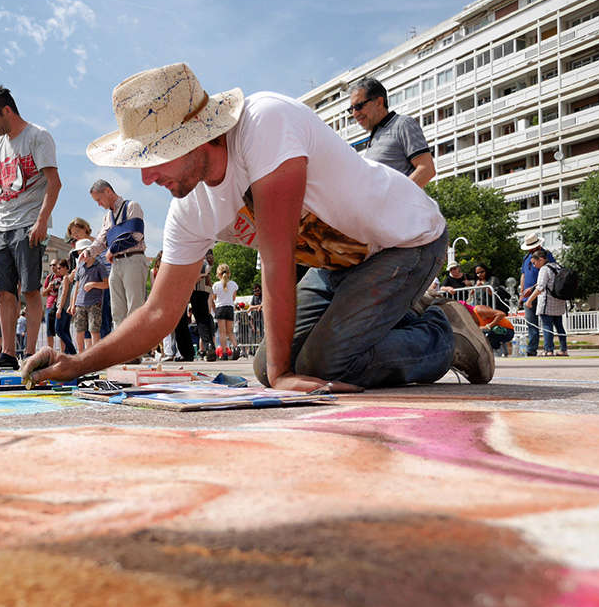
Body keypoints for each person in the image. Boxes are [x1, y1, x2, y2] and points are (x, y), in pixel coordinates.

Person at [25, 62, 492, 389]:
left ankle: (445, 336)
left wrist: (289, 376)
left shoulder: (263, 124)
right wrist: (78, 363)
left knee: (325, 365)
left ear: (195, 138)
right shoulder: (191, 206)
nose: (146, 177)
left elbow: (276, 259)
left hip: (407, 242)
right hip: (338, 268)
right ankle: (400, 316)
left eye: (154, 158)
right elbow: (157, 313)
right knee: (269, 367)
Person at [0, 85, 61, 371]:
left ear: (7, 110)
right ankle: (8, 354)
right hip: (2, 226)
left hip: (28, 223)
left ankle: (31, 354)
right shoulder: (0, 145)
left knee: (31, 290)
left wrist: (42, 220)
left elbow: (54, 183)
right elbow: (0, 188)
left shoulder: (38, 137)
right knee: (2, 291)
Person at [348, 77, 435, 188]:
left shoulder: (403, 124)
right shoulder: (374, 138)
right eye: (352, 109)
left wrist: (394, 201)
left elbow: (426, 169)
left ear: (379, 102)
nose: (355, 114)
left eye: (359, 106)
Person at [87, 180, 147, 330]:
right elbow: (101, 239)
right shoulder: (107, 216)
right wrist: (88, 252)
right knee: (117, 309)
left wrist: (112, 249)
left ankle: (135, 348)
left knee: (135, 306)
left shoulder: (132, 206)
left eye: (99, 199)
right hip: (116, 264)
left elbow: (136, 235)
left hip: (133, 259)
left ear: (108, 191)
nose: (98, 204)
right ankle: (122, 349)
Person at [519, 233, 557, 357]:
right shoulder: (526, 258)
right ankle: (531, 349)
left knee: (546, 322)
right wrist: (522, 293)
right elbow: (523, 275)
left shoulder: (547, 255)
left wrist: (533, 288)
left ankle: (548, 348)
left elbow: (550, 273)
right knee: (531, 324)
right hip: (527, 295)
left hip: (542, 293)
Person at [525, 249, 568, 357]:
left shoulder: (544, 269)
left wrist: (529, 300)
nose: (534, 266)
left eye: (534, 263)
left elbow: (540, 287)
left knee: (547, 326)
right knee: (559, 326)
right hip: (559, 301)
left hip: (547, 302)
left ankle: (548, 350)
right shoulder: (558, 266)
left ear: (541, 259)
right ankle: (563, 349)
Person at [69, 239, 108, 353]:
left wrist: (93, 284)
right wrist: (72, 304)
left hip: (94, 304)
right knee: (79, 331)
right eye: (79, 254)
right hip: (79, 304)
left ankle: (95, 356)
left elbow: (106, 284)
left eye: (82, 252)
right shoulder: (80, 268)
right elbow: (76, 286)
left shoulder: (99, 267)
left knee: (94, 330)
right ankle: (81, 355)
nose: (80, 256)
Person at [191, 250, 217, 361]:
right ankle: (210, 347)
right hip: (205, 290)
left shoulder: (200, 259)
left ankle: (208, 346)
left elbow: (201, 273)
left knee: (201, 321)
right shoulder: (207, 259)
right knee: (205, 319)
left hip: (197, 289)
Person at [211, 263, 239, 359]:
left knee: (222, 333)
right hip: (230, 307)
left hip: (220, 308)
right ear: (229, 273)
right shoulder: (234, 284)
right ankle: (236, 348)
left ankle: (224, 353)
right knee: (230, 332)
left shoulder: (216, 285)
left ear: (218, 274)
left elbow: (214, 298)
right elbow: (234, 298)